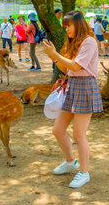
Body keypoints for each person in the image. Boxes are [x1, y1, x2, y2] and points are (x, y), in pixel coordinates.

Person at [42, 10, 103, 188]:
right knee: (57, 130)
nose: (66, 29)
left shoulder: (89, 41)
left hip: (85, 87)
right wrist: (52, 57)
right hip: (72, 86)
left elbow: (76, 66)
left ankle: (84, 172)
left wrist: (55, 55)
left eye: (68, 25)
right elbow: (66, 69)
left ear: (79, 24)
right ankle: (70, 161)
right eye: (65, 26)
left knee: (79, 134)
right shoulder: (73, 43)